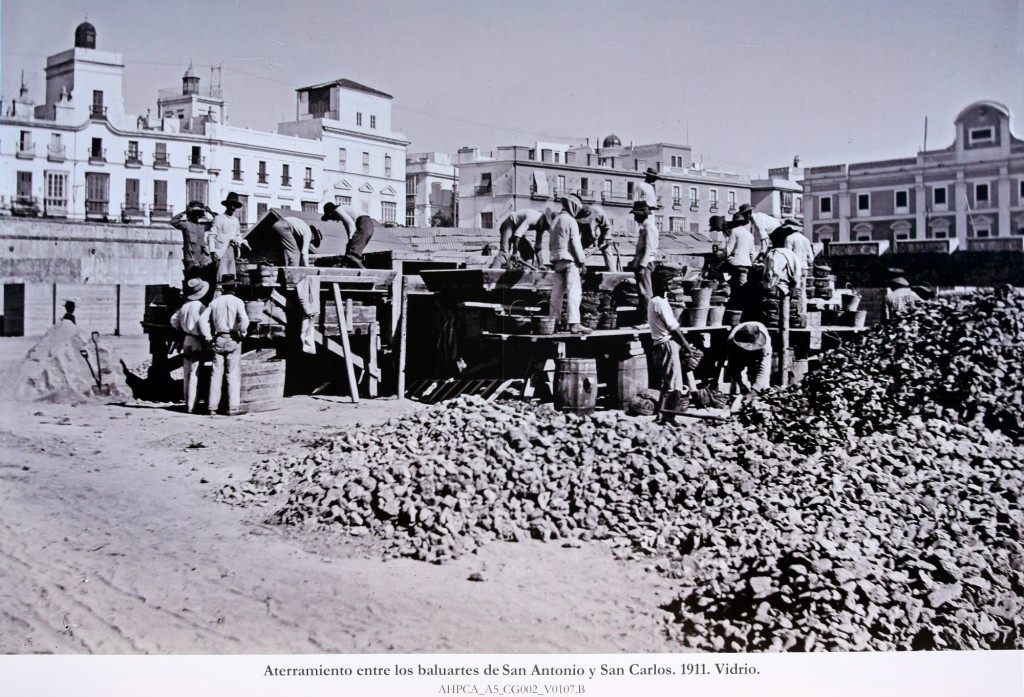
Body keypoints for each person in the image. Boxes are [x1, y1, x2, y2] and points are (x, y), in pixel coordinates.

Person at [648, 267, 698, 423]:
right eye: (668, 284)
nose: (670, 287)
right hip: (667, 344)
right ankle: (668, 417)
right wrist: (686, 346)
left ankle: (662, 415)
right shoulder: (660, 303)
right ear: (662, 285)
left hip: (659, 344)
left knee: (667, 383)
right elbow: (673, 328)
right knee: (675, 384)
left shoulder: (654, 301)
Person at [198, 275, 250, 416]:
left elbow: (202, 320)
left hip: (219, 338)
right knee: (232, 374)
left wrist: (208, 337)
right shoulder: (238, 301)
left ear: (223, 287)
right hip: (232, 338)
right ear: (235, 287)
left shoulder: (215, 302)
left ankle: (212, 407)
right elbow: (244, 319)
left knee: (216, 374)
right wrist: (242, 332)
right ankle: (232, 407)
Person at [547, 195, 591, 335]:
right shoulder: (571, 221)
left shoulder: (555, 221)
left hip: (557, 260)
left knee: (556, 293)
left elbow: (550, 244)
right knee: (574, 292)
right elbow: (575, 243)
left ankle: (553, 322)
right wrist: (582, 262)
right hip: (570, 260)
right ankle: (574, 324)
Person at [169, 277, 209, 413]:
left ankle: (187, 402)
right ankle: (192, 405)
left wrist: (183, 327)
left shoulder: (184, 307)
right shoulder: (201, 307)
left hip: (187, 339)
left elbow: (173, 321)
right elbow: (204, 324)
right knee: (195, 373)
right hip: (197, 340)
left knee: (186, 372)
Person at [207, 192, 249, 289]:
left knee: (231, 275)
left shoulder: (235, 220)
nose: (232, 207)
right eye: (230, 205)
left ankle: (229, 292)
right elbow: (212, 235)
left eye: (234, 205)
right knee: (221, 274)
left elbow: (238, 235)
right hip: (221, 250)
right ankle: (219, 294)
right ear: (227, 205)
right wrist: (213, 251)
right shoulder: (219, 219)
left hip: (232, 250)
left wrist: (242, 242)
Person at [712, 214, 755, 309]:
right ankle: (740, 309)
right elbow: (752, 254)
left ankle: (725, 286)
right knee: (742, 287)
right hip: (746, 266)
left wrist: (718, 256)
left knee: (714, 268)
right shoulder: (750, 235)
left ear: (734, 223)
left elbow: (728, 250)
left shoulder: (734, 231)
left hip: (735, 263)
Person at [628, 200, 660, 327]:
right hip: (642, 263)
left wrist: (641, 266)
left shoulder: (649, 228)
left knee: (645, 292)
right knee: (642, 292)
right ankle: (644, 318)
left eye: (636, 215)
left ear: (641, 215)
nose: (635, 217)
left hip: (645, 264)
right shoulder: (645, 227)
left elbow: (648, 249)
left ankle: (648, 321)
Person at [570, 196, 619, 271]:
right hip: (586, 235)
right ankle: (577, 269)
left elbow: (607, 227)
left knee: (607, 250)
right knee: (578, 250)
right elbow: (577, 233)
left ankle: (612, 272)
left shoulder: (600, 213)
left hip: (601, 235)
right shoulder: (579, 216)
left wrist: (607, 237)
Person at [322, 201, 374, 268]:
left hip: (364, 224)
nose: (333, 220)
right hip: (367, 225)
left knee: (352, 255)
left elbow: (351, 225)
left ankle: (365, 273)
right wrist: (349, 242)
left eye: (331, 218)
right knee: (350, 253)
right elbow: (349, 230)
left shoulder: (337, 210)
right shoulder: (344, 212)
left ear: (330, 213)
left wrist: (350, 240)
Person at [170, 200, 213, 279]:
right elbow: (173, 221)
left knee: (203, 281)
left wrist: (210, 212)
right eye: (194, 213)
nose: (196, 216)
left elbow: (216, 223)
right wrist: (185, 212)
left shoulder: (202, 226)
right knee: (191, 280)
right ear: (190, 214)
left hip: (202, 258)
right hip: (190, 258)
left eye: (198, 214)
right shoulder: (186, 224)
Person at [726, 321, 773, 395]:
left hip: (758, 354)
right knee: (736, 388)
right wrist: (741, 384)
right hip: (739, 352)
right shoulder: (732, 341)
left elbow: (764, 369)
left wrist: (753, 391)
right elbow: (733, 366)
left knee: (762, 386)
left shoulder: (765, 345)